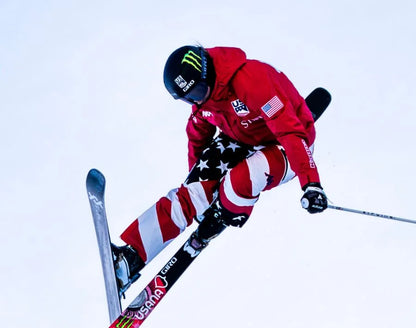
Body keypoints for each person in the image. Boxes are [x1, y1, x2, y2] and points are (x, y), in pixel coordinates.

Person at [112, 45, 328, 295]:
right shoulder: (203, 102)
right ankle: (130, 258)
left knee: (241, 181)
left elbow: (288, 131)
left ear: (208, 74)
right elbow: (197, 137)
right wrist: (199, 193)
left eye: (198, 91)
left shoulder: (252, 80)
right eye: (188, 98)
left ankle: (228, 209)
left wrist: (311, 183)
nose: (196, 100)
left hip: (287, 144)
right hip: (242, 138)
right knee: (191, 194)